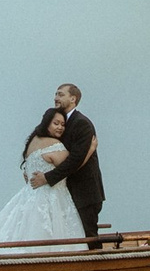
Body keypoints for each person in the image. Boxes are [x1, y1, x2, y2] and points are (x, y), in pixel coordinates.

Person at [0, 110, 87, 249]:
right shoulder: (54, 144)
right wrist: (90, 150)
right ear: (47, 123)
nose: (60, 127)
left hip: (30, 196)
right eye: (56, 123)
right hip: (52, 196)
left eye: (63, 124)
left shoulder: (33, 142)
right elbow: (72, 166)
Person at [35, 82, 108, 248]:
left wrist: (47, 178)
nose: (56, 98)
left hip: (85, 193)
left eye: (61, 94)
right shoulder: (60, 124)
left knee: (88, 239)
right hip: (66, 194)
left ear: (73, 99)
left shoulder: (81, 123)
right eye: (55, 94)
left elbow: (75, 160)